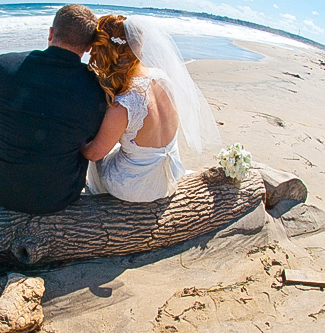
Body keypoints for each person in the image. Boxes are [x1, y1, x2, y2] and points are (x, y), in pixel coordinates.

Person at [0, 5, 107, 214]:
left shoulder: (4, 64)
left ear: (51, 33)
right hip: (58, 197)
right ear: (89, 47)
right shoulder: (96, 87)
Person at [82, 14, 221, 202]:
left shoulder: (124, 104)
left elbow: (94, 154)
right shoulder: (162, 78)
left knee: (96, 153)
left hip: (137, 187)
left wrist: (75, 142)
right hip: (169, 175)